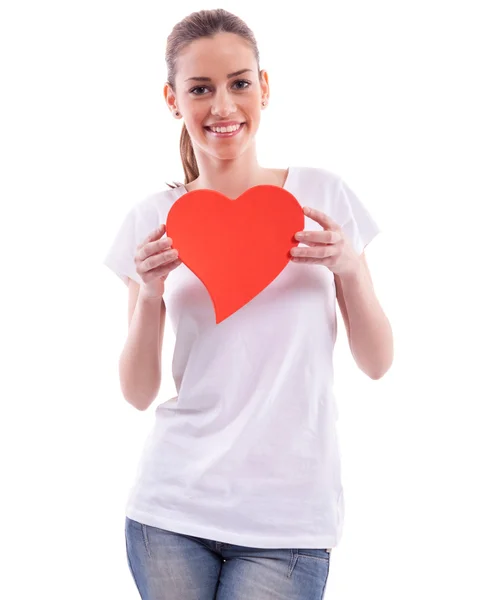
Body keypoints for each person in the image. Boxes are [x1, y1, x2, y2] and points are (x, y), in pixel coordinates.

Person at [103, 8, 393, 600]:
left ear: (265, 86)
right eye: (200, 89)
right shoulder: (150, 220)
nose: (223, 106)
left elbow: (378, 361)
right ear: (171, 98)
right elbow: (136, 392)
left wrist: (348, 271)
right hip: (170, 510)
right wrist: (150, 294)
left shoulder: (322, 195)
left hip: (289, 519)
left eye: (239, 83)